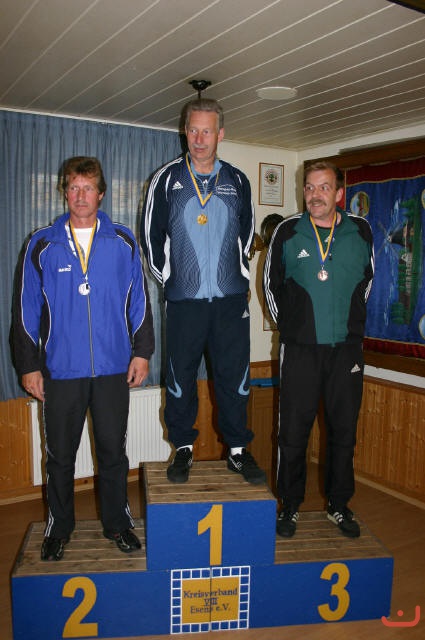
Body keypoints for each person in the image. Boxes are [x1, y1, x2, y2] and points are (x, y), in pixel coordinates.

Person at [12, 156, 154, 560]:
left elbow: (139, 303)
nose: (80, 195)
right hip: (61, 371)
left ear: (101, 194)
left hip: (112, 368)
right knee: (59, 457)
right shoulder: (42, 243)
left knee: (113, 453)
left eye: (88, 188)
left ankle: (118, 524)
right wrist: (29, 365)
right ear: (64, 192)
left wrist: (142, 353)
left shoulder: (123, 241)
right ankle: (58, 528)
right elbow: (24, 309)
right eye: (73, 187)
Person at [140, 98, 265, 485]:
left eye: (206, 131)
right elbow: (150, 236)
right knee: (180, 377)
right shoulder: (166, 179)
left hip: (229, 301)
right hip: (184, 301)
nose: (198, 138)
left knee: (234, 376)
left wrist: (238, 277)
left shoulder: (238, 181)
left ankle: (238, 451)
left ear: (220, 134)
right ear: (185, 131)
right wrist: (171, 281)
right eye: (192, 130)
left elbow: (247, 234)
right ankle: (183, 449)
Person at [263, 160, 374, 538]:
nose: (314, 195)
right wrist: (293, 330)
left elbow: (367, 283)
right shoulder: (288, 231)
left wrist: (350, 327)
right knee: (293, 434)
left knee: (344, 432)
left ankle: (338, 505)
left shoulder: (361, 231)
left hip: (346, 351)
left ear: (339, 193)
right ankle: (289, 506)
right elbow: (270, 286)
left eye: (324, 187)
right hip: (301, 351)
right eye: (309, 187)